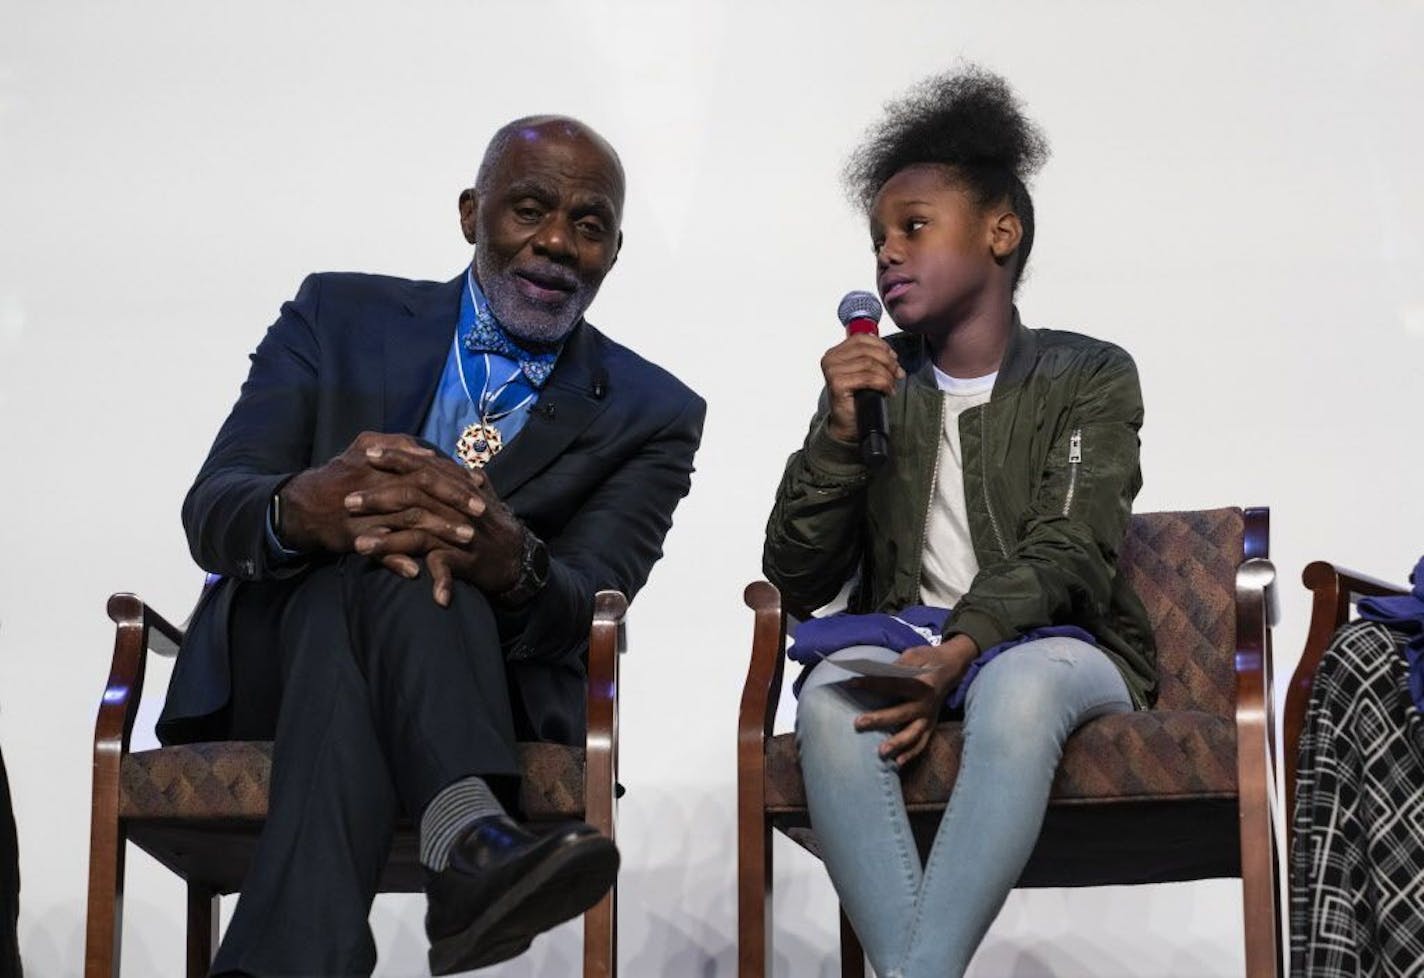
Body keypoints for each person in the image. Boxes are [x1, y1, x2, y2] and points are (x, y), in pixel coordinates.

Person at [158, 115, 705, 977]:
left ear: (614, 251)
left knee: (400, 568)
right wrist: (308, 509)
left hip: (484, 686)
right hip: (270, 664)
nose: (557, 241)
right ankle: (470, 839)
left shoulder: (655, 411)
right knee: (383, 558)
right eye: (529, 208)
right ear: (470, 214)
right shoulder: (336, 313)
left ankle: (285, 956)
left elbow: (591, 597)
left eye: (589, 224)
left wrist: (511, 561)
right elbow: (215, 509)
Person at [762, 67, 1155, 977]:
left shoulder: (1088, 375)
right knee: (830, 702)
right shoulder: (873, 383)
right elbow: (795, 575)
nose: (887, 256)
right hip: (906, 631)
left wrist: (967, 645)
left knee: (1016, 696)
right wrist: (835, 434)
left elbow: (1070, 548)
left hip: (1056, 640)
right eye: (877, 240)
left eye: (913, 227)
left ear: (1000, 232)